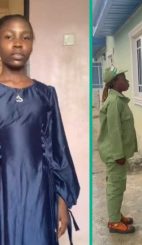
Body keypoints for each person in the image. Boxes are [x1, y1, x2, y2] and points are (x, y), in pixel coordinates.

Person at [0, 15, 80, 244]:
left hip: (40, 191)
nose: (18, 43)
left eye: (26, 37)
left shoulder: (45, 95)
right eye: (8, 36)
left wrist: (62, 200)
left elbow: (58, 149)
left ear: (32, 44)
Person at [98, 66, 138, 234]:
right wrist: (118, 155)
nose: (127, 80)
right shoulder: (114, 102)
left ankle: (116, 214)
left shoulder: (118, 100)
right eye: (123, 78)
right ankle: (114, 222)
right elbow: (114, 131)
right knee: (115, 186)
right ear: (115, 83)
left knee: (118, 185)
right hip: (115, 154)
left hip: (116, 153)